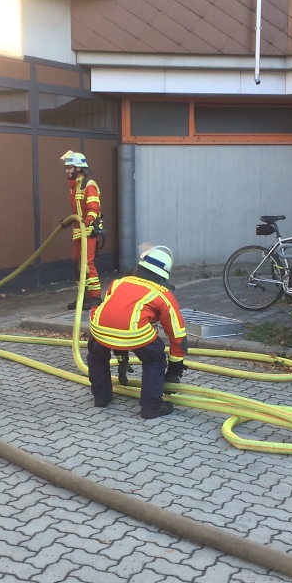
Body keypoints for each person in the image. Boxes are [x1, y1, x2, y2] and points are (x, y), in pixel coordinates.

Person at [86, 244, 188, 419]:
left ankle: (101, 397)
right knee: (154, 359)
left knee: (96, 356)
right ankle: (151, 406)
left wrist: (122, 359)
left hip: (99, 328)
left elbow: (116, 319)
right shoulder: (163, 294)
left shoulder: (118, 282)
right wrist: (174, 370)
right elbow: (177, 335)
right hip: (135, 332)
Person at [61, 150, 103, 310]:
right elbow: (77, 210)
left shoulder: (88, 184)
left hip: (88, 231)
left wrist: (87, 221)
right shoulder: (75, 186)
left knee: (86, 263)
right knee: (76, 263)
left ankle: (95, 297)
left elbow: (93, 209)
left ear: (78, 168)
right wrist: (69, 222)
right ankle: (83, 296)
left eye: (69, 167)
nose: (67, 171)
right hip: (79, 231)